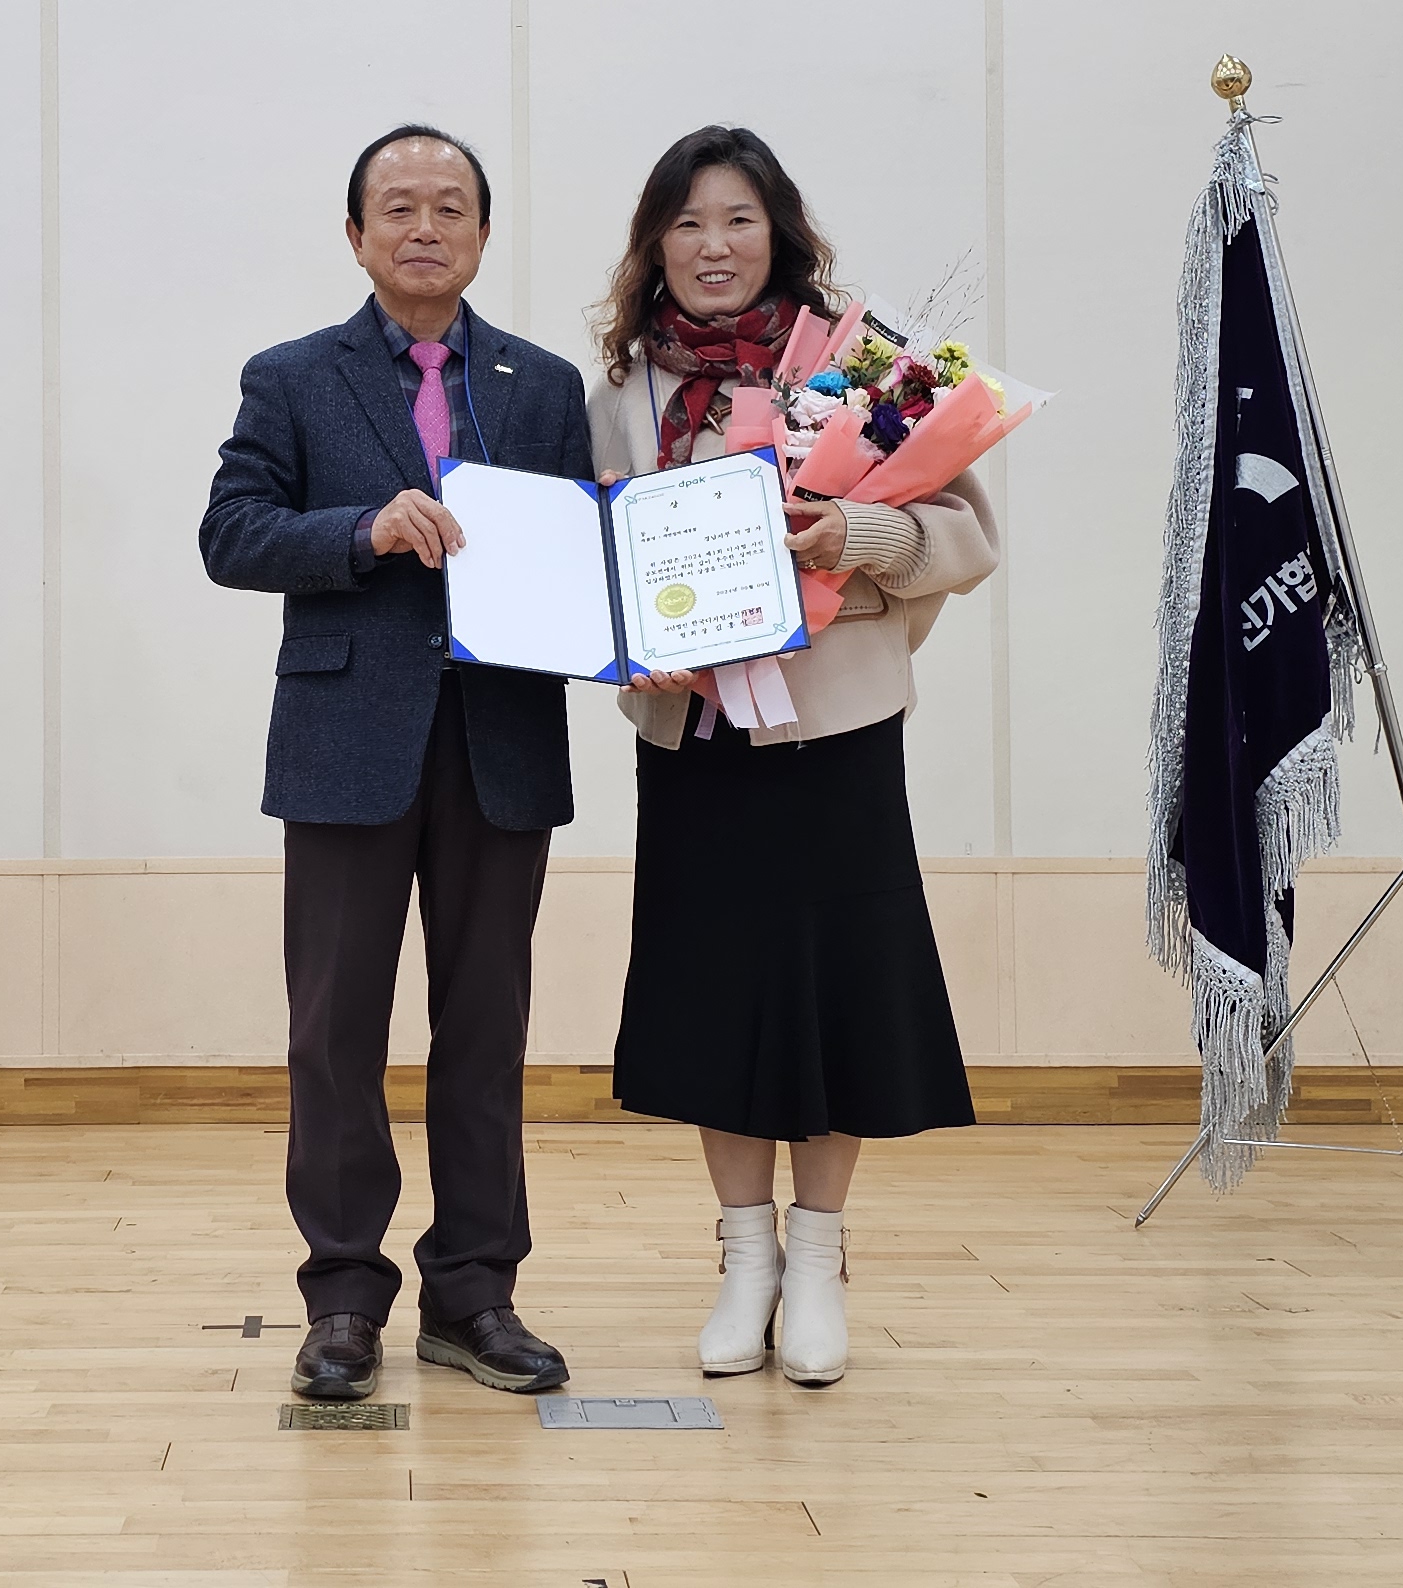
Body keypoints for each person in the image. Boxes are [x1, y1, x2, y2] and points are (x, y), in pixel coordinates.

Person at [591, 127, 999, 1386]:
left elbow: (965, 540)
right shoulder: (623, 391)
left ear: (780, 234)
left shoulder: (861, 369)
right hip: (697, 742)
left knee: (837, 991)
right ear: (655, 245)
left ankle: (818, 1256)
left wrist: (847, 535)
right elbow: (604, 566)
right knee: (716, 993)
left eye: (738, 220)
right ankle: (745, 1258)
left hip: (836, 733)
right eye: (686, 223)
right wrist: (632, 650)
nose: (712, 246)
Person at [200, 126, 595, 1400]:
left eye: (450, 207)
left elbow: (579, 557)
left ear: (482, 232)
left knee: (485, 1031)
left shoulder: (542, 385)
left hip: (501, 743)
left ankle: (475, 1293)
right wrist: (362, 530)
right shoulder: (291, 376)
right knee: (334, 1034)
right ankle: (341, 1296)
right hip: (343, 744)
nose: (425, 227)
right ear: (356, 233)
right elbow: (231, 533)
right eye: (399, 207)